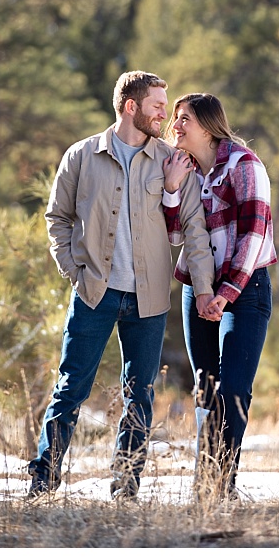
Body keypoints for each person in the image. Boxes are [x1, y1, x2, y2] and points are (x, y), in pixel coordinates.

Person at [29, 71, 210, 500]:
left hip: (148, 299)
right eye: (157, 107)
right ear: (132, 107)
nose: (165, 115)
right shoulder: (82, 155)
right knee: (71, 387)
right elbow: (57, 219)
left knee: (140, 396)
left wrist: (203, 287)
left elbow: (194, 229)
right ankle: (43, 482)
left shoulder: (172, 161)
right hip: (94, 293)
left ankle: (125, 489)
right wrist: (76, 272)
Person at [162, 92, 276, 502]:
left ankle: (219, 487)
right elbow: (175, 236)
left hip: (245, 291)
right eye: (174, 118)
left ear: (208, 126)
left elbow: (253, 234)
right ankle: (204, 488)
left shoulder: (244, 165)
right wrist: (172, 189)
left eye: (184, 118)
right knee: (206, 389)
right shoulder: (185, 170)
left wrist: (226, 293)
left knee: (233, 391)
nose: (175, 125)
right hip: (197, 289)